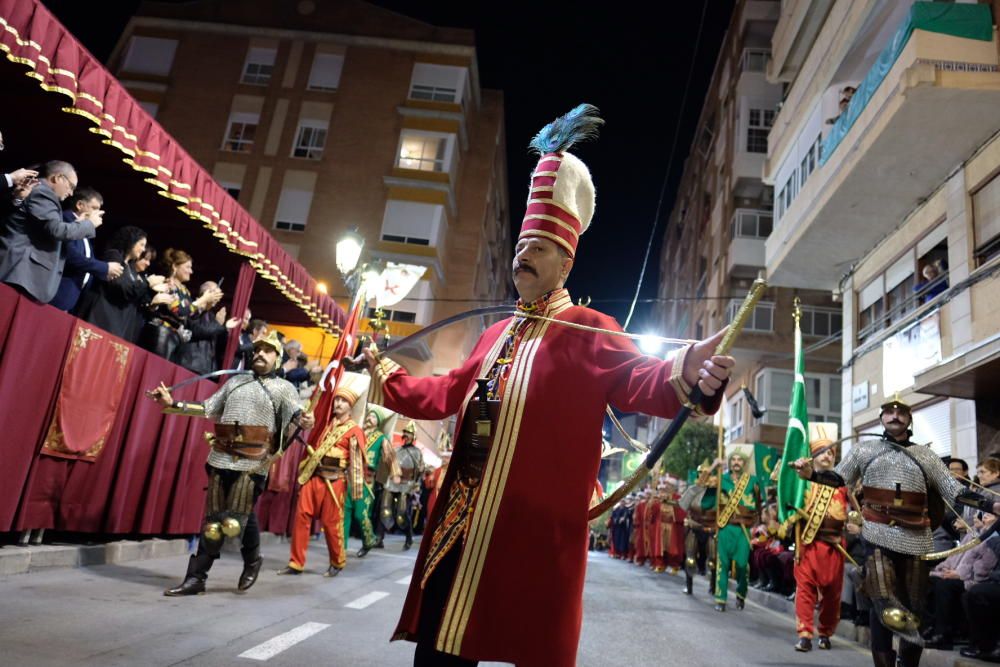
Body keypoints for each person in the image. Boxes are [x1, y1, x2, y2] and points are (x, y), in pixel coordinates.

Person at [363, 104, 733, 666]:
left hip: (535, 538)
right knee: (439, 650)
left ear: (566, 263)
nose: (522, 253)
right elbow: (443, 394)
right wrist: (388, 375)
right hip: (461, 523)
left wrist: (688, 369)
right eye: (519, 245)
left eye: (538, 247)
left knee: (531, 644)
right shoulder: (491, 337)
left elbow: (647, 381)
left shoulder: (590, 331)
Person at [792, 397, 1000, 667]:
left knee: (914, 607)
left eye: (900, 412)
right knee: (884, 602)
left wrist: (991, 503)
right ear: (881, 418)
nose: (894, 416)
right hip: (878, 534)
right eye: (889, 412)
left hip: (916, 536)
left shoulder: (926, 456)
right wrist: (812, 474)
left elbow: (955, 491)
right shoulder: (864, 450)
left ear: (909, 418)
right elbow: (839, 478)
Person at [149, 331, 311, 595]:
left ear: (278, 359)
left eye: (267, 350)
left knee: (236, 518)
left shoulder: (284, 388)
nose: (259, 353)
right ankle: (198, 578)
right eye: (257, 349)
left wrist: (304, 419)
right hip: (221, 455)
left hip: (254, 461)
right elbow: (207, 408)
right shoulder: (235, 382)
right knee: (215, 520)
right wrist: (173, 404)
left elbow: (296, 412)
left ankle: (248, 561)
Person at [278, 372, 368, 578]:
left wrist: (355, 490)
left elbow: (356, 463)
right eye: (337, 399)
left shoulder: (354, 431)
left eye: (343, 401)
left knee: (331, 523)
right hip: (315, 476)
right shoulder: (325, 426)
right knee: (302, 517)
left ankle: (337, 561)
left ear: (351, 406)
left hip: (335, 481)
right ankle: (296, 562)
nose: (338, 403)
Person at [0, 160, 99, 303]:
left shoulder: (44, 194)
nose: (71, 193)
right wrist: (89, 224)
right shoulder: (42, 192)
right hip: (19, 274)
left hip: (23, 277)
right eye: (71, 186)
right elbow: (56, 230)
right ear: (58, 178)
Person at [792, 437, 849, 652]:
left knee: (832, 594)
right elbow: (786, 496)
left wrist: (854, 522)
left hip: (835, 546)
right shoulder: (801, 482)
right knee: (805, 590)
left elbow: (854, 512)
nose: (827, 456)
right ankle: (805, 634)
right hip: (808, 543)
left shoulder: (843, 485)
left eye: (831, 453)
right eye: (822, 452)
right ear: (812, 457)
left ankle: (825, 632)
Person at [75, 226, 162, 342]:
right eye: (141, 244)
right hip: (100, 319)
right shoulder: (113, 256)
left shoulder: (130, 268)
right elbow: (121, 288)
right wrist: (147, 283)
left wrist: (153, 293)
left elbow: (137, 296)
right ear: (131, 241)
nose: (143, 249)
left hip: (117, 325)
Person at [49, 187, 123, 312]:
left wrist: (106, 272)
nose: (98, 214)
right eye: (94, 208)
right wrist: (105, 268)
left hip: (70, 299)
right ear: (79, 205)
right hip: (56, 293)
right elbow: (72, 256)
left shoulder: (86, 231)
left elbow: (88, 259)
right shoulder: (66, 221)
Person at [142, 248, 221, 362]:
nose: (191, 271)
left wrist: (205, 305)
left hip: (176, 339)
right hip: (162, 335)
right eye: (187, 267)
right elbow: (178, 310)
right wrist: (202, 300)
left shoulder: (185, 292)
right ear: (175, 266)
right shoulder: (167, 283)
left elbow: (190, 318)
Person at [712, 450, 761, 612]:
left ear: (744, 463)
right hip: (726, 527)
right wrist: (714, 467)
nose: (736, 462)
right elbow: (703, 485)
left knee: (742, 565)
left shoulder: (753, 481)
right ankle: (721, 598)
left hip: (743, 529)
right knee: (723, 564)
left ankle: (741, 593)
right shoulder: (721, 479)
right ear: (729, 462)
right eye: (733, 459)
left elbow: (761, 504)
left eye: (740, 460)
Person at [347, 404, 398, 558]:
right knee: (345, 511)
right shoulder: (359, 432)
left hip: (367, 479)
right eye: (369, 414)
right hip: (350, 476)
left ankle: (369, 540)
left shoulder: (381, 438)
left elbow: (390, 455)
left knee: (361, 513)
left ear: (379, 421)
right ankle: (339, 547)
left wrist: (395, 473)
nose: (370, 417)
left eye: (374, 416)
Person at [174, 281, 240, 375]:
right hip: (191, 363)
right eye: (216, 293)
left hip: (206, 368)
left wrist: (222, 328)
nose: (218, 298)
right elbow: (197, 331)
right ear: (207, 293)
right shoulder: (193, 308)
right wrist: (222, 326)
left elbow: (219, 344)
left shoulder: (212, 316)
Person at [382, 420, 425, 551]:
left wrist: (416, 485)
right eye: (405, 432)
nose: (406, 435)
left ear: (413, 436)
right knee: (385, 510)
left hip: (407, 485)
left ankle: (409, 537)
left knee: (402, 514)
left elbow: (420, 471)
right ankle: (379, 537)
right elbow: (391, 467)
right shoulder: (397, 449)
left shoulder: (417, 452)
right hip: (393, 482)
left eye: (409, 433)